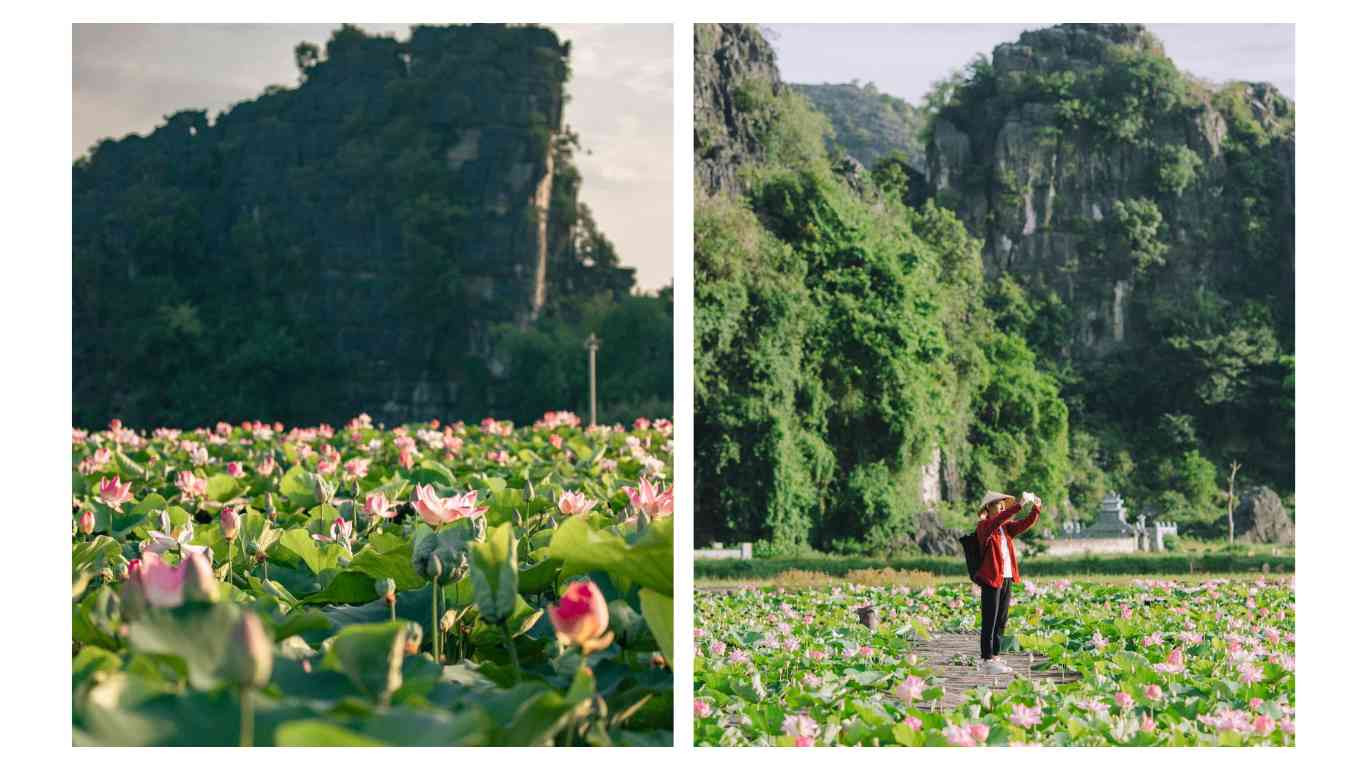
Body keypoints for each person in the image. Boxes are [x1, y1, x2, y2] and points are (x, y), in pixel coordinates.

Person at [974, 490, 1041, 674]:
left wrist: (1036, 509)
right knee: (990, 619)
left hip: (1006, 576)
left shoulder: (1006, 528)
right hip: (991, 579)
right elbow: (997, 520)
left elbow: (1024, 524)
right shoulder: (984, 526)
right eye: (998, 503)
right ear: (988, 507)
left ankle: (995, 656)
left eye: (1004, 503)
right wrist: (1018, 505)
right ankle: (986, 658)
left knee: (1001, 619)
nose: (1002, 506)